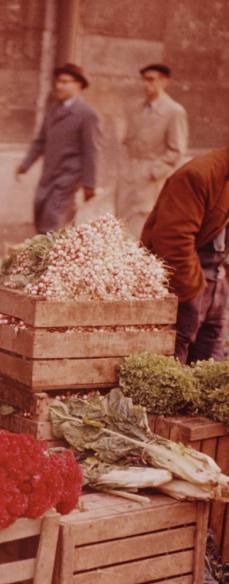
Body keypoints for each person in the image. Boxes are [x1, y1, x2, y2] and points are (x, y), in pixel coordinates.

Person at [141, 147, 229, 363]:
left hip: (215, 283)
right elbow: (173, 241)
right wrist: (191, 294)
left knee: (212, 376)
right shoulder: (198, 176)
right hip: (183, 285)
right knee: (173, 365)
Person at [16, 63, 100, 234]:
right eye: (58, 81)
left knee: (53, 221)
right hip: (48, 175)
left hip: (68, 179)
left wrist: (89, 185)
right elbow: (40, 141)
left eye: (64, 82)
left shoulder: (87, 114)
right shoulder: (53, 109)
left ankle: (51, 257)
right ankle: (45, 256)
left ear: (78, 85)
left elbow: (92, 151)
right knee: (40, 215)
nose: (58, 86)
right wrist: (25, 165)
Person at [116, 63, 188, 239]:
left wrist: (153, 172)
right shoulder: (136, 108)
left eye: (151, 80)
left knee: (143, 223)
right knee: (121, 221)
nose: (146, 84)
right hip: (129, 173)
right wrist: (125, 168)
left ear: (164, 81)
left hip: (151, 177)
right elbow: (127, 141)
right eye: (144, 80)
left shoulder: (174, 111)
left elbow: (177, 150)